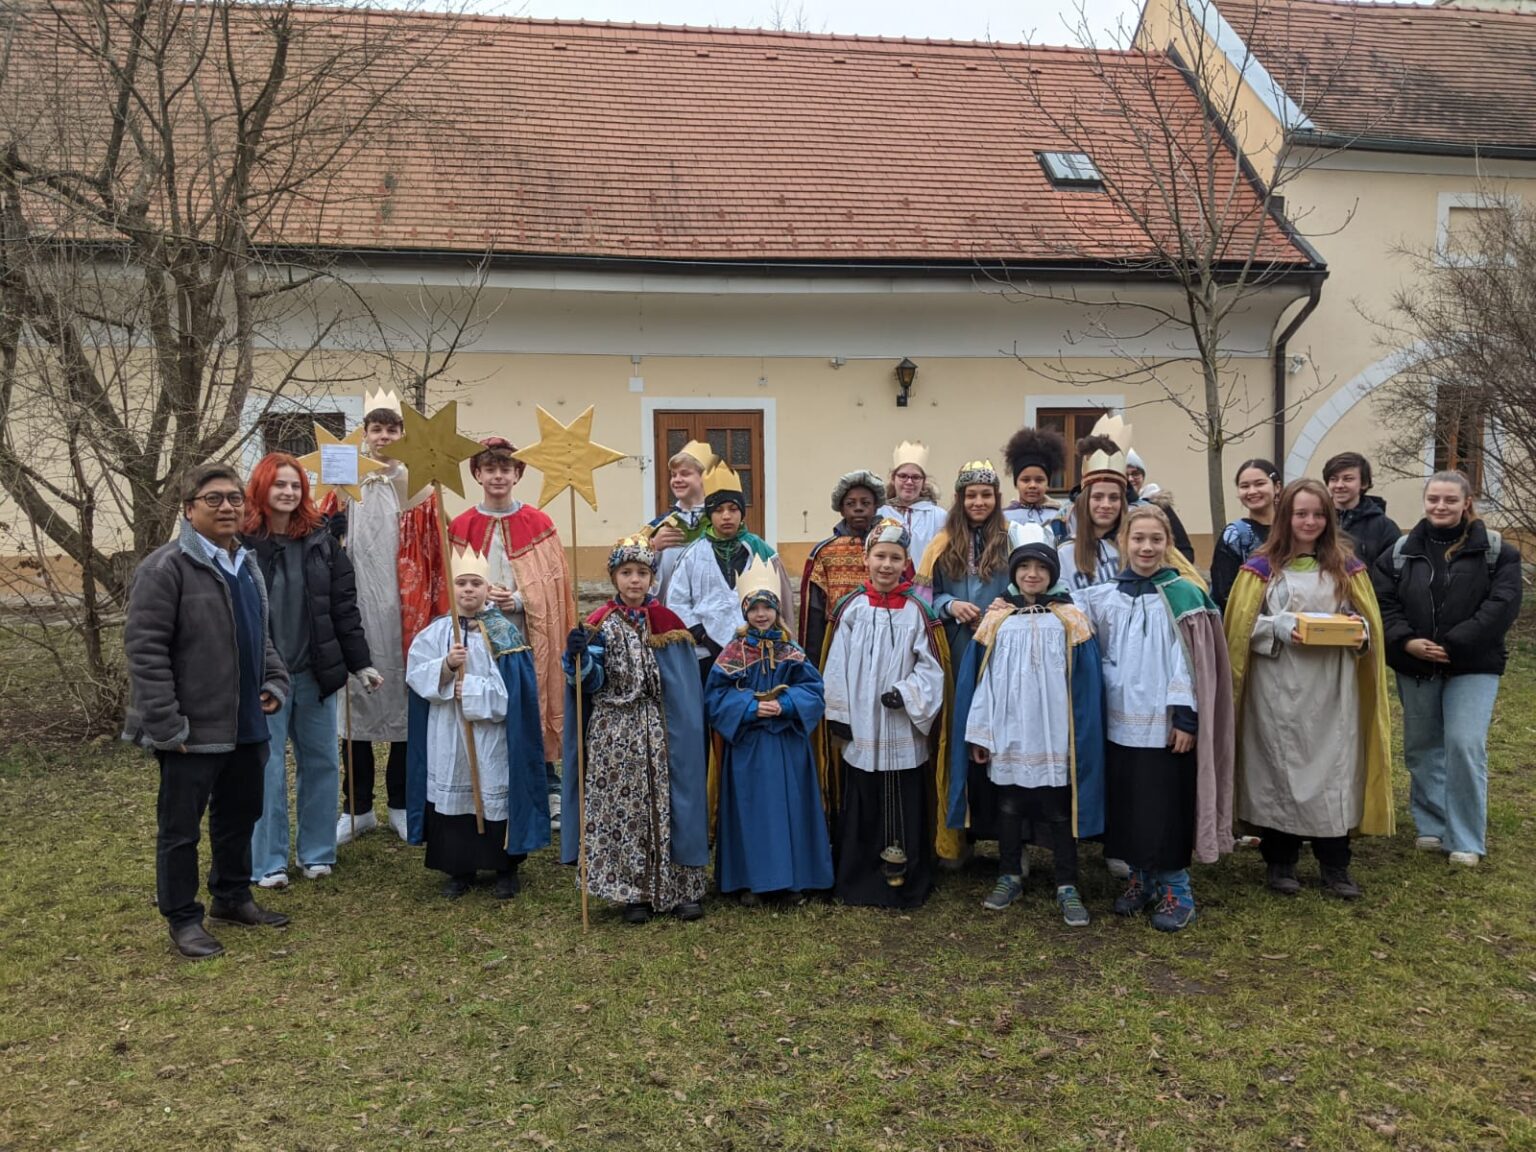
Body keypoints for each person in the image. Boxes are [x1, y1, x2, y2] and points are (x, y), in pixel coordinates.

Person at [123, 464, 291, 960]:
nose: (227, 507)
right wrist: (165, 722)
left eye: (235, 498)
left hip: (245, 723)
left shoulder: (247, 563)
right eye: (213, 499)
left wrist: (275, 680)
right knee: (180, 828)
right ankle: (183, 918)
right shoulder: (165, 568)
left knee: (240, 815)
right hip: (190, 727)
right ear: (188, 508)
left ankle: (232, 896)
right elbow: (145, 649)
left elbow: (259, 637)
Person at [1224, 478, 1393, 899]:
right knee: (1277, 769)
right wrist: (1274, 626)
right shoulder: (1260, 569)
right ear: (1286, 517)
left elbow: (1370, 626)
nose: (1310, 521)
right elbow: (1237, 630)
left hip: (1332, 690)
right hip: (1276, 687)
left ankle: (1335, 865)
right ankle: (1280, 860)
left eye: (1319, 514)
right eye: (1301, 513)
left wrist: (1360, 632)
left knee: (1332, 772)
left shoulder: (1346, 568)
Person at [1073, 504, 1235, 932]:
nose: (1146, 547)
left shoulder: (1184, 594)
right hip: (1118, 720)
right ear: (1123, 542)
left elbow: (1190, 664)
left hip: (1164, 724)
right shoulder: (1103, 595)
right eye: (1138, 539)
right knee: (1126, 803)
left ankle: (1176, 887)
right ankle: (1141, 877)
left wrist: (1186, 717)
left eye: (1155, 540)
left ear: (1168, 545)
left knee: (1165, 805)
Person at [948, 527, 1105, 927]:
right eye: (1025, 567)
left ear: (1052, 573)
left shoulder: (1071, 620)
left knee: (1057, 808)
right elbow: (981, 681)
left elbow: (1085, 685)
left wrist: (1077, 735)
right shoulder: (997, 621)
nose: (1032, 574)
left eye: (1040, 567)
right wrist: (981, 734)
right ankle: (1009, 873)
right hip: (1010, 728)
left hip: (1054, 730)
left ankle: (1067, 883)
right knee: (1009, 804)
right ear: (1014, 573)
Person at [243, 454, 380, 890]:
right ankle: (268, 861)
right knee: (266, 770)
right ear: (262, 489)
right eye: (279, 485)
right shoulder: (242, 544)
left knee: (320, 762)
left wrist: (360, 663)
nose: (288, 492)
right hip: (263, 677)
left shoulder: (321, 540)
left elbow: (344, 608)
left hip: (315, 672)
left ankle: (317, 853)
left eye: (295, 485)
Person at [1372, 471, 1522, 867]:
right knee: (1422, 747)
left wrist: (1453, 644)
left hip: (1473, 665)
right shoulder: (1401, 551)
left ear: (1466, 503)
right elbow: (1382, 602)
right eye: (1434, 499)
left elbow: (1501, 606)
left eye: (1450, 500)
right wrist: (1406, 641)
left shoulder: (1496, 552)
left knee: (1464, 744)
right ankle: (1432, 823)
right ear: (1425, 501)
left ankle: (1466, 837)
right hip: (1414, 663)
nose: (1441, 506)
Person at [562, 535, 709, 923]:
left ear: (652, 578)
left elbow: (683, 686)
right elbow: (589, 684)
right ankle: (633, 893)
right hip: (615, 730)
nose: (634, 581)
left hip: (662, 728)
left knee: (673, 804)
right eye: (626, 573)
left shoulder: (669, 625)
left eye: (642, 573)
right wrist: (577, 658)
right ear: (614, 577)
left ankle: (681, 890)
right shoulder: (599, 625)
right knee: (625, 809)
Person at [820, 518, 960, 907]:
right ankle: (857, 876)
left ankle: (908, 876)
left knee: (903, 799)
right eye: (879, 555)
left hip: (902, 725)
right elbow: (835, 663)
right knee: (862, 797)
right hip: (861, 722)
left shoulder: (918, 610)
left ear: (906, 562)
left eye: (894, 558)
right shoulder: (850, 607)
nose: (886, 565)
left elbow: (931, 667)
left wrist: (907, 693)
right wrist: (839, 714)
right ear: (866, 559)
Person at [328, 388, 447, 846]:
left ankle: (398, 801)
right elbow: (325, 529)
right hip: (353, 606)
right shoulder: (343, 478)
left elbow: (434, 547)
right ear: (365, 433)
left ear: (402, 434)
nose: (383, 436)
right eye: (375, 428)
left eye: (391, 428)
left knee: (401, 700)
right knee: (353, 705)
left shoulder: (417, 483)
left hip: (404, 609)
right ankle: (356, 808)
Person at [405, 547, 551, 899]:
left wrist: (468, 688)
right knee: (454, 795)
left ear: (488, 589)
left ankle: (505, 867)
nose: (468, 590)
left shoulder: (504, 635)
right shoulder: (436, 632)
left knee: (491, 790)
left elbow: (511, 698)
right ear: (451, 589)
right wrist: (445, 666)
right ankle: (459, 868)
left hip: (490, 737)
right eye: (461, 583)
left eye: (475, 583)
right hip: (448, 733)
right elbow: (415, 675)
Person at [447, 436, 577, 827]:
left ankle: (548, 785)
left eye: (506, 468)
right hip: (479, 630)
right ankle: (488, 783)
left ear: (517, 474)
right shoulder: (462, 524)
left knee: (534, 697)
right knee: (489, 700)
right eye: (490, 469)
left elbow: (554, 584)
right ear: (477, 474)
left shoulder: (539, 522)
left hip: (527, 628)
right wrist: (481, 602)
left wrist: (519, 600)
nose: (498, 475)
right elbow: (453, 581)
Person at [707, 558, 832, 905]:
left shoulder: (791, 651)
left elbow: (814, 691)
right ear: (745, 610)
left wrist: (786, 704)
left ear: (777, 609)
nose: (761, 614)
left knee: (791, 809)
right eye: (754, 607)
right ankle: (751, 881)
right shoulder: (733, 652)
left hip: (788, 747)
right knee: (752, 812)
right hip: (749, 747)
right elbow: (715, 696)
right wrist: (749, 707)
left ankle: (794, 880)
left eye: (768, 607)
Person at [915, 459, 1027, 846]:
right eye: (971, 495)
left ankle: (1011, 836)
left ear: (996, 498)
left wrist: (1003, 607)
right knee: (960, 733)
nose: (978, 502)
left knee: (1002, 732)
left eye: (985, 495)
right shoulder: (942, 542)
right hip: (959, 649)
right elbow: (924, 594)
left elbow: (1029, 583)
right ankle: (959, 833)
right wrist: (950, 605)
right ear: (960, 499)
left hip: (1003, 649)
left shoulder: (1013, 537)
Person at [664, 461, 795, 685]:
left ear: (741, 513)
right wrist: (702, 635)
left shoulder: (762, 552)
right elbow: (677, 601)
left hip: (759, 650)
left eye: (733, 509)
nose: (726, 516)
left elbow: (781, 602)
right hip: (706, 652)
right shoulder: (692, 555)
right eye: (718, 510)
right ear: (710, 514)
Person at [800, 469, 886, 663]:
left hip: (884, 634)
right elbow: (815, 610)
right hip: (839, 640)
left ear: (875, 508)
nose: (858, 508)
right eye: (850, 504)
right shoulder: (826, 552)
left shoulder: (889, 547)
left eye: (865, 503)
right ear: (841, 509)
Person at [1057, 433, 1128, 591]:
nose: (1106, 504)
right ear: (1085, 501)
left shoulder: (1135, 546)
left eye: (1114, 498)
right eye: (1097, 497)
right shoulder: (1065, 553)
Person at [648, 439, 719, 596]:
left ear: (704, 478)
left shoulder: (720, 522)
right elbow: (633, 566)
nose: (677, 480)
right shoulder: (661, 525)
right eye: (674, 475)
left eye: (685, 474)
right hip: (669, 611)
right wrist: (653, 547)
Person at [1209, 459, 1281, 612]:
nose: (1252, 491)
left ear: (1277, 486)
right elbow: (1223, 593)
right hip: (1248, 622)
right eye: (1244, 486)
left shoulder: (1293, 530)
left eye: (1260, 484)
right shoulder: (1234, 535)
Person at [1324, 451, 1400, 567]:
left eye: (1348, 479)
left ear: (1364, 483)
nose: (1339, 485)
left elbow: (1392, 573)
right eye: (1333, 479)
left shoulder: (1384, 527)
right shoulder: (1316, 520)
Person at [877, 440, 946, 569]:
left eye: (915, 477)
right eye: (903, 476)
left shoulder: (939, 516)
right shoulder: (879, 513)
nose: (909, 482)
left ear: (923, 481)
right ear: (893, 479)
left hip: (927, 586)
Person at [1125, 448, 1196, 562]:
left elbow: (1184, 548)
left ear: (1143, 476)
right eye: (1125, 475)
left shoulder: (1158, 505)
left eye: (1135, 474)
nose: (1130, 479)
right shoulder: (1113, 508)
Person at [1001, 426, 1066, 528]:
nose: (1032, 485)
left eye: (1039, 480)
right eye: (1025, 480)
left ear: (1048, 483)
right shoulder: (1004, 518)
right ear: (1016, 483)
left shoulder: (1060, 515)